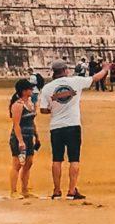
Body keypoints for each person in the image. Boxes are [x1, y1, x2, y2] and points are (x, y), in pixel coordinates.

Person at [37, 61, 91, 200]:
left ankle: (56, 190)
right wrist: (105, 69)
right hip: (73, 125)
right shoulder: (75, 82)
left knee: (57, 159)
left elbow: (43, 109)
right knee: (74, 159)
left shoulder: (48, 88)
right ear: (65, 70)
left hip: (56, 126)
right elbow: (95, 78)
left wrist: (52, 109)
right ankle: (72, 190)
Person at [7, 77, 38, 196]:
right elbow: (16, 125)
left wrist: (36, 136)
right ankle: (13, 191)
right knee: (17, 163)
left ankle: (25, 189)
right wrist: (20, 141)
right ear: (24, 91)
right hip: (19, 137)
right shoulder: (18, 105)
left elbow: (32, 122)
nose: (31, 90)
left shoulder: (30, 103)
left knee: (29, 162)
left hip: (29, 136)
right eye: (30, 88)